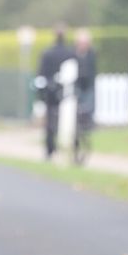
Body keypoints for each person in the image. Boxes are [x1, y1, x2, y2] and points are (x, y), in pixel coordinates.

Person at [37, 24, 76, 160]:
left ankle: (50, 149)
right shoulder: (70, 53)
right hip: (65, 92)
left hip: (50, 92)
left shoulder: (47, 53)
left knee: (50, 121)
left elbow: (41, 74)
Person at [73, 28, 97, 165]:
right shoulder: (73, 55)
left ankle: (86, 132)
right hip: (77, 90)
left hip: (87, 89)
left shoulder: (91, 55)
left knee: (85, 116)